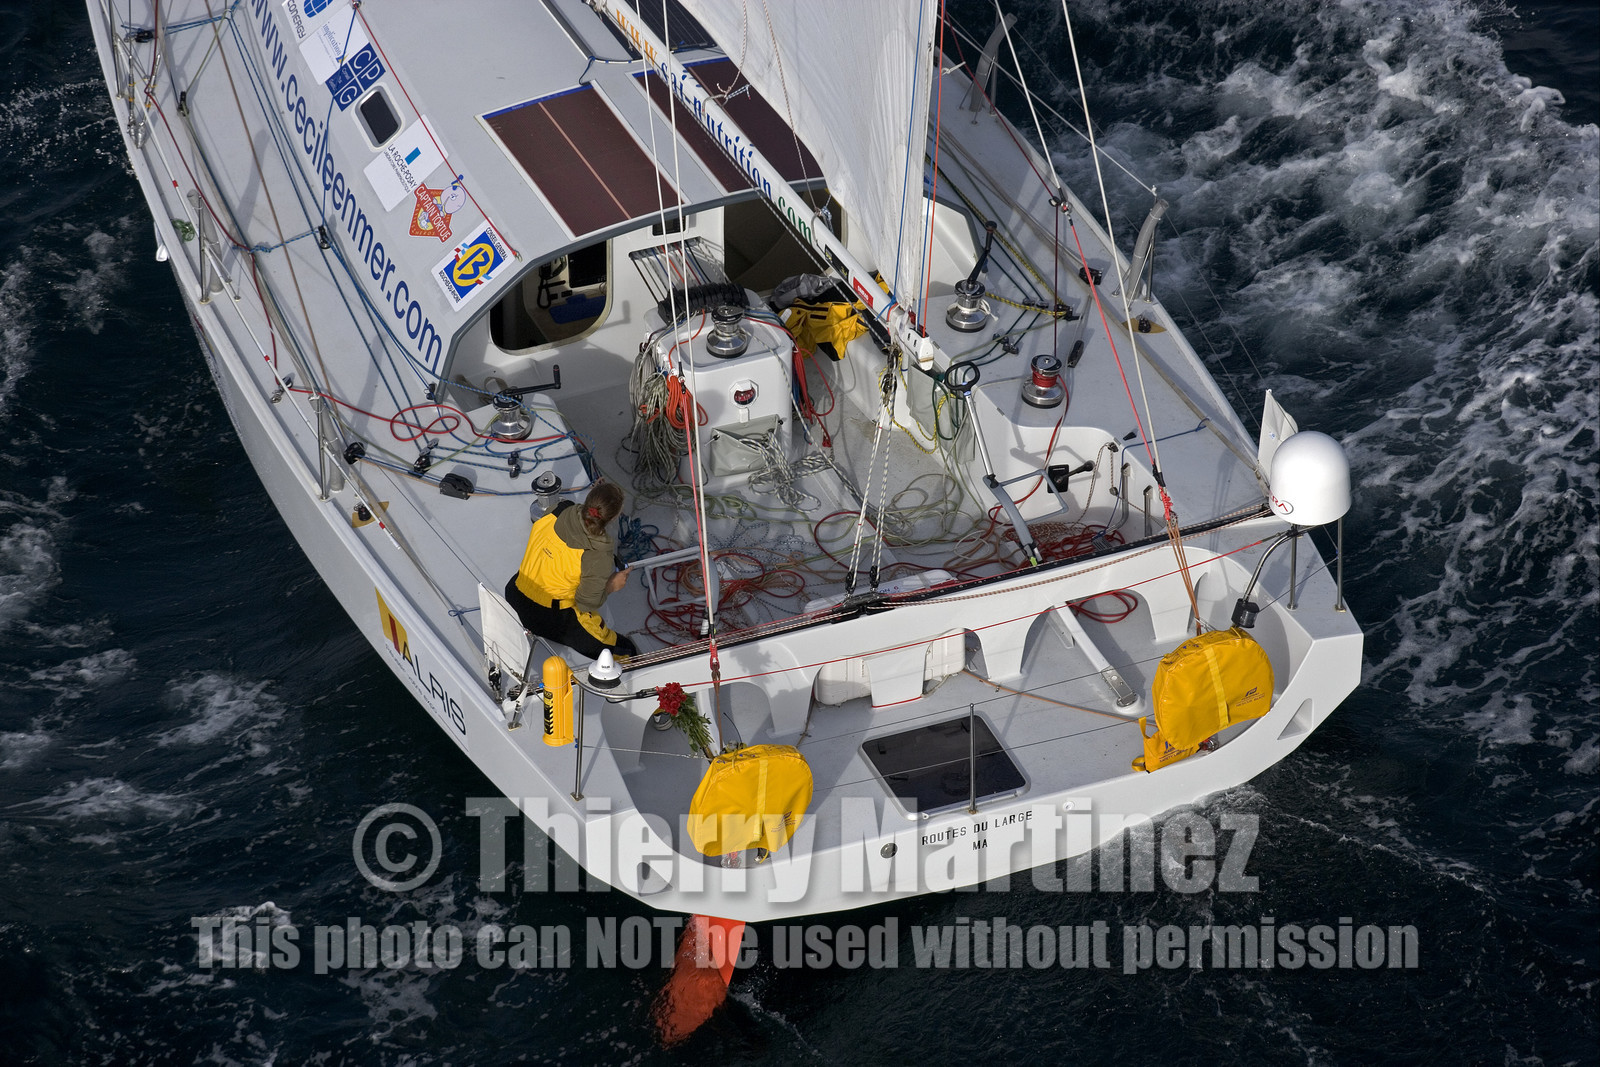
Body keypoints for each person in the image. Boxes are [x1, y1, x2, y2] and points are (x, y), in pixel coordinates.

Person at [504, 482, 639, 659]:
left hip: (515, 594)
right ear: (614, 517)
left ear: (588, 500)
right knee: (625, 650)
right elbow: (586, 603)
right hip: (552, 618)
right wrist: (612, 584)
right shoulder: (598, 555)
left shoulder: (557, 509)